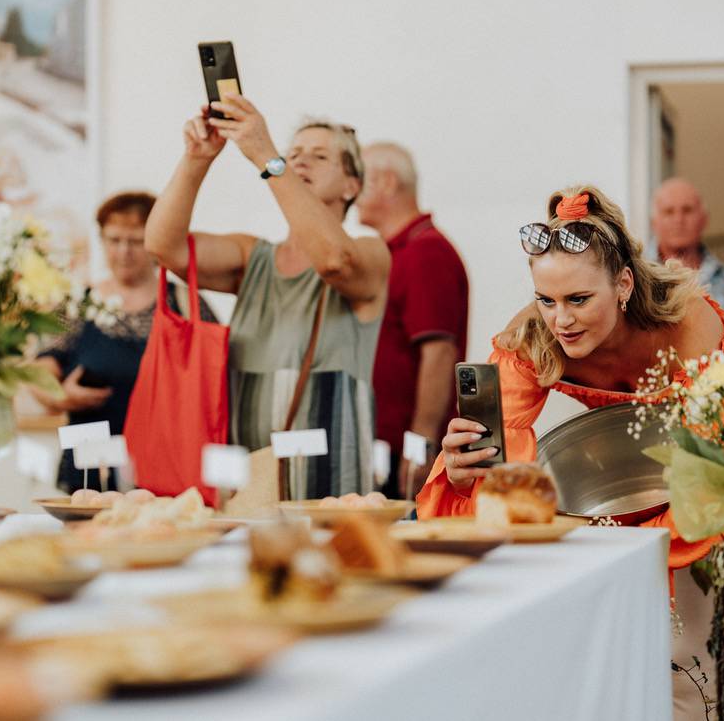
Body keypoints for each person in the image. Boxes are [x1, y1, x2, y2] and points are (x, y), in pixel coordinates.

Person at [416, 186, 724, 721]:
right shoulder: (531, 340)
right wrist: (469, 475)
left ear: (624, 284)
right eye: (547, 300)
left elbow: (713, 453)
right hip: (608, 505)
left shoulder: (686, 319)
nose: (561, 321)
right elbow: (503, 478)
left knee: (688, 667)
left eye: (579, 300)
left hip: (697, 487)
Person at [145, 95, 390, 498]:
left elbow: (333, 261)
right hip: (248, 477)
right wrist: (195, 160)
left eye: (319, 156)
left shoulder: (370, 249)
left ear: (352, 185)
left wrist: (266, 155)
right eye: (293, 153)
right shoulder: (252, 257)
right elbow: (161, 246)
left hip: (328, 485)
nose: (300, 161)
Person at [33, 191, 215, 493]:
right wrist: (58, 394)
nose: (124, 252)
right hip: (91, 470)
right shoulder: (78, 304)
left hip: (169, 465)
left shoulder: (184, 304)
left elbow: (214, 377)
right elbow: (42, 365)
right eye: (114, 240)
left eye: (135, 241)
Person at [355, 141, 468, 497]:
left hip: (406, 449)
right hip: (386, 445)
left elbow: (438, 351)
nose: (352, 191)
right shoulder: (396, 252)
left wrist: (419, 445)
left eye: (359, 177)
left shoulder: (424, 252)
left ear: (387, 182)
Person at [650, 176, 724, 343]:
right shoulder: (633, 274)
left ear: (703, 219)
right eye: (669, 212)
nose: (679, 220)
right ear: (653, 223)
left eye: (687, 210)